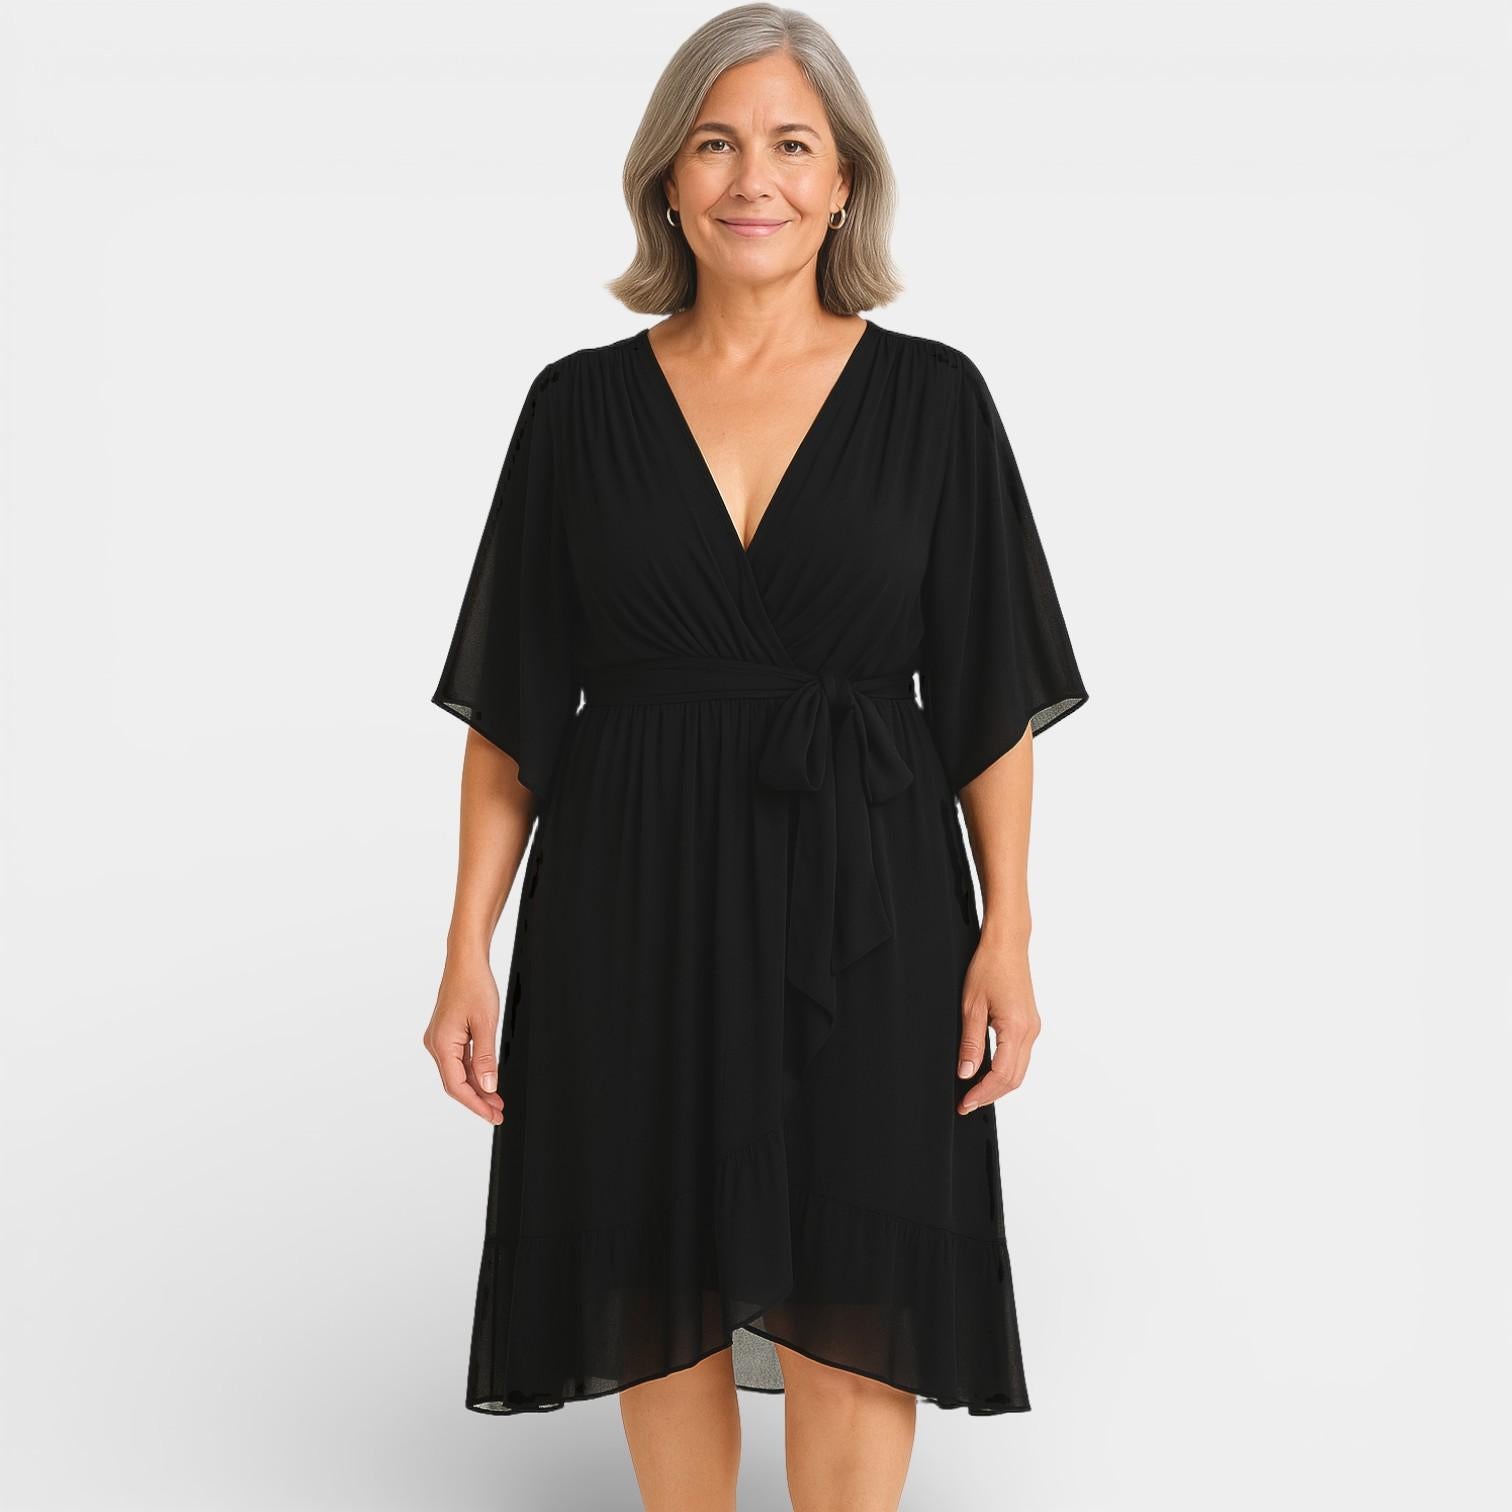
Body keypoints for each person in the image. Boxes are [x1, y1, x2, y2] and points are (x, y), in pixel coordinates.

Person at [422, 6, 1089, 1509]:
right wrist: (468, 946)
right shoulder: (575, 408)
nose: (754, 179)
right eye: (716, 144)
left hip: (874, 893)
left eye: (793, 144)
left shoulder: (934, 400)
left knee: (859, 1295)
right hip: (629, 891)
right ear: (667, 180)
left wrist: (1009, 932)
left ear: (845, 182)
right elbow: (515, 713)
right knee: (657, 1289)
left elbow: (987, 699)